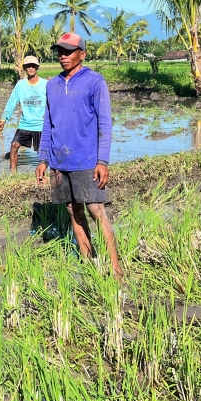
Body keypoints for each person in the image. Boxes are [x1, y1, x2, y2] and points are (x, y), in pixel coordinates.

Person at [35, 32, 123, 281]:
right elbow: (48, 123)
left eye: (68, 52)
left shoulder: (95, 82)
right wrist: (43, 158)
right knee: (73, 212)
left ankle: (116, 270)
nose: (63, 56)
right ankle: (88, 262)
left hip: (86, 160)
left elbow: (105, 123)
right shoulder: (52, 85)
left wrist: (102, 161)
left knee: (96, 210)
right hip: (59, 162)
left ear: (82, 54)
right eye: (60, 52)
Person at [0, 55, 47, 173]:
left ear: (37, 67)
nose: (31, 68)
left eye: (33, 66)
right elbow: (12, 102)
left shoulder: (46, 84)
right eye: (28, 66)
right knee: (14, 145)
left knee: (42, 152)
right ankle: (13, 174)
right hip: (25, 124)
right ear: (24, 68)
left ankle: (41, 175)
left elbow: (54, 103)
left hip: (41, 125)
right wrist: (3, 119)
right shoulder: (20, 85)